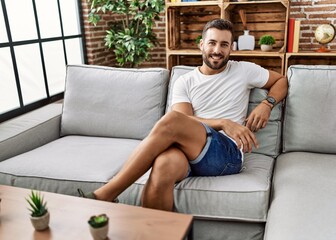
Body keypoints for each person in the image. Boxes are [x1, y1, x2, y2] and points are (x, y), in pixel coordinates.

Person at [78, 18, 288, 211]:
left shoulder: (243, 70)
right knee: (162, 166)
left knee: (171, 120)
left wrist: (267, 104)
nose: (217, 50)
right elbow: (185, 121)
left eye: (224, 45)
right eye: (212, 43)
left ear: (231, 48)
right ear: (201, 45)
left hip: (226, 153)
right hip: (190, 151)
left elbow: (282, 80)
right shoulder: (185, 81)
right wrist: (223, 122)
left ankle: (106, 194)